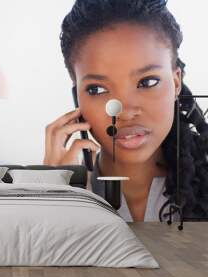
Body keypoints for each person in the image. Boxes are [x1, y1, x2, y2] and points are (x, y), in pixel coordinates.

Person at [43, 0, 208, 222]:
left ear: (176, 82)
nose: (125, 112)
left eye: (147, 82)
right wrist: (50, 198)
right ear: (78, 97)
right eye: (97, 89)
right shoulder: (61, 195)